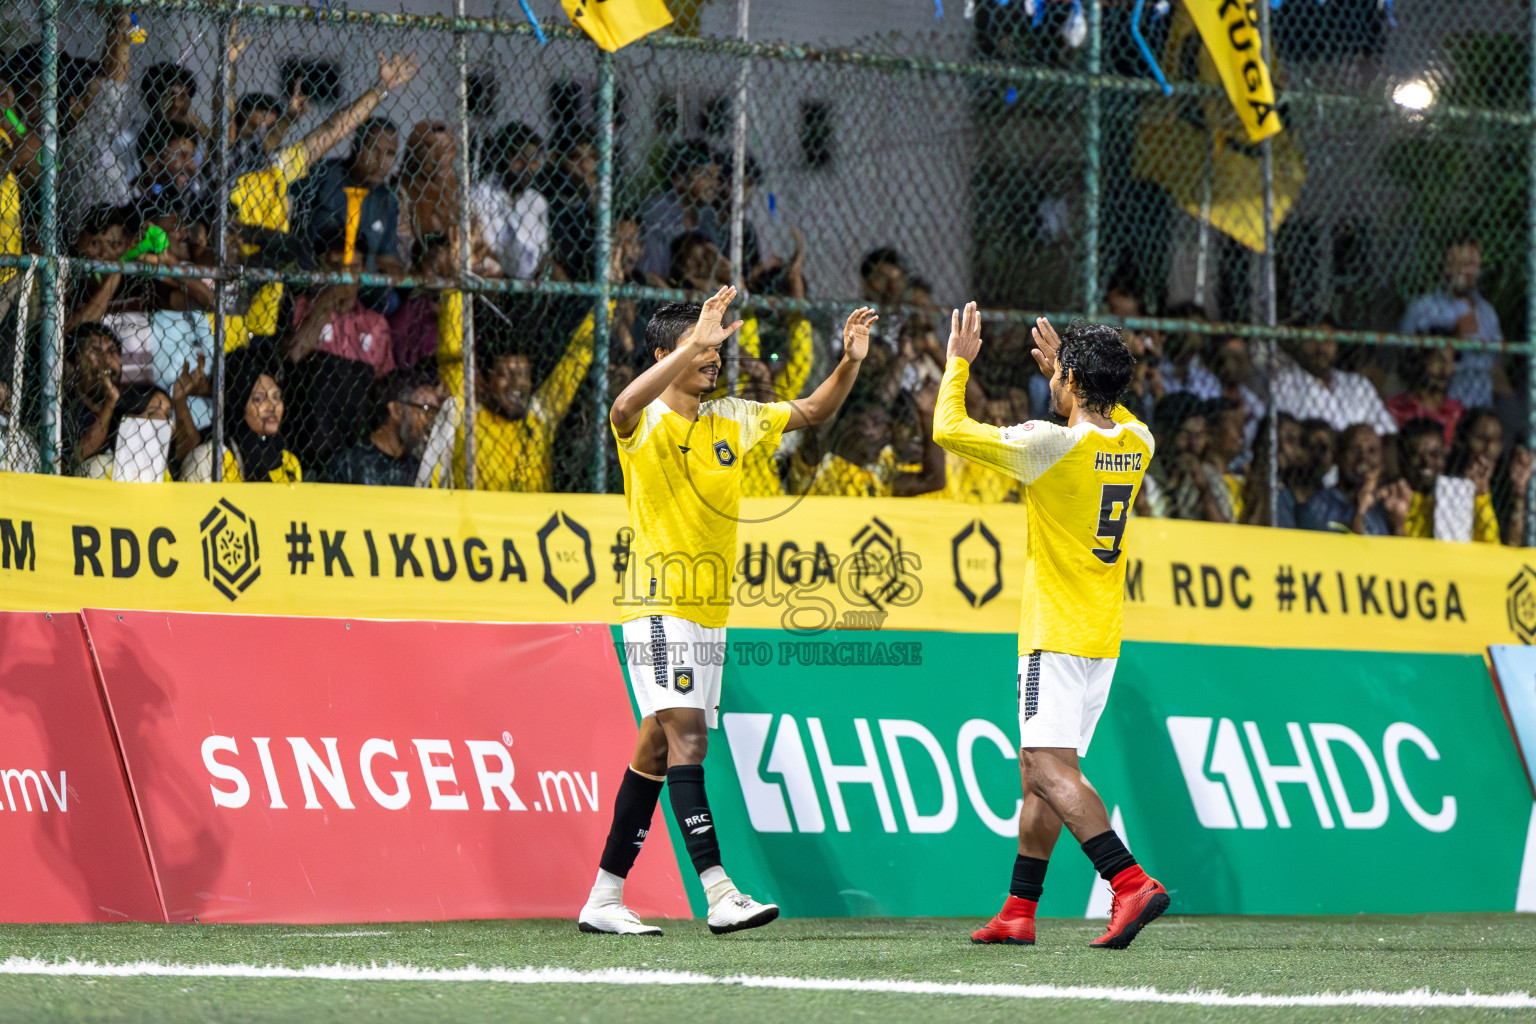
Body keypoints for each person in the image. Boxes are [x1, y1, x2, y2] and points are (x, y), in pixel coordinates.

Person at [579, 288, 878, 937]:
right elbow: (623, 403)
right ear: (668, 352)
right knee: (689, 736)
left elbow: (816, 409)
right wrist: (693, 339)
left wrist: (849, 360)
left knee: (656, 749)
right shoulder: (645, 421)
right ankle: (719, 892)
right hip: (657, 603)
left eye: (717, 346)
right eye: (703, 347)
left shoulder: (733, 418)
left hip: (709, 614)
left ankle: (603, 898)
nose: (715, 357)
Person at [932, 306, 1167, 950]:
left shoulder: (1049, 443)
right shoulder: (1137, 441)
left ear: (1069, 378)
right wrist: (1071, 376)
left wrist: (959, 362)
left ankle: (1128, 882)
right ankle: (1018, 909)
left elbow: (947, 428)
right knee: (1046, 771)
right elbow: (1109, 413)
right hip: (1101, 637)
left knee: (1041, 766)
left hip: (1054, 633)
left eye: (1059, 374)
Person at [458, 307, 594, 491]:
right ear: (486, 382)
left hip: (539, 518)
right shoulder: (468, 417)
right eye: (504, 374)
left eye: (522, 374)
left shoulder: (539, 417)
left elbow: (575, 361)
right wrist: (453, 291)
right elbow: (453, 356)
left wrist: (608, 300)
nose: (516, 383)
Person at [1400, 239, 1509, 410]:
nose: (1467, 271)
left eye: (1473, 264)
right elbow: (1405, 360)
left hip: (1482, 404)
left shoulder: (1487, 312)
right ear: (1445, 266)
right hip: (1441, 405)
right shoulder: (1423, 308)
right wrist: (1455, 337)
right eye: (1460, 264)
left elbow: (1496, 363)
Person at [181, 349, 301, 483]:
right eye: (258, 399)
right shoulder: (210, 459)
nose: (272, 406)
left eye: (276, 397)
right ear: (238, 405)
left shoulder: (289, 462)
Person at [321, 367, 442, 486]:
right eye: (427, 409)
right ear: (396, 410)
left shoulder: (419, 470)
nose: (431, 420)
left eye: (435, 412)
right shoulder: (350, 461)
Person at [1272, 328, 1397, 436]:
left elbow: (1388, 430)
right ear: (1301, 341)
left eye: (1328, 339)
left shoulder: (1358, 384)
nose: (1321, 347)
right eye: (1313, 338)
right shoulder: (1284, 382)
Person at [1399, 416, 1499, 543]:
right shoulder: (1397, 501)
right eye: (1416, 454)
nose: (1427, 462)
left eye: (1434, 454)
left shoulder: (1457, 497)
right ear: (1403, 458)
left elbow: (1491, 544)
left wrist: (1481, 496)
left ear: (1445, 456)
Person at [470, 122, 548, 280]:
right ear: (499, 157)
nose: (526, 167)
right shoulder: (481, 193)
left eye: (533, 160)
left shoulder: (536, 201)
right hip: (495, 277)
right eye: (519, 159)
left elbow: (543, 254)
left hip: (531, 284)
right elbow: (483, 247)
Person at [1297, 425, 1404, 536]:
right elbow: (1355, 551)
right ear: (1338, 456)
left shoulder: (1386, 507)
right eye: (1355, 449)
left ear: (1382, 460)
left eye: (1372, 451)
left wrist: (1397, 520)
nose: (1363, 457)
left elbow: (1403, 552)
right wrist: (1360, 510)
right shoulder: (1318, 506)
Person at [637, 141, 721, 281]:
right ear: (679, 180)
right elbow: (652, 274)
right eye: (706, 176)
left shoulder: (706, 216)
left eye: (716, 177)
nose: (715, 183)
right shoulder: (659, 211)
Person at [1387, 342, 1463, 442]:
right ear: (1423, 361)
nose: (1446, 370)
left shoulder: (1456, 412)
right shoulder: (1397, 407)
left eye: (1451, 362)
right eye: (1440, 360)